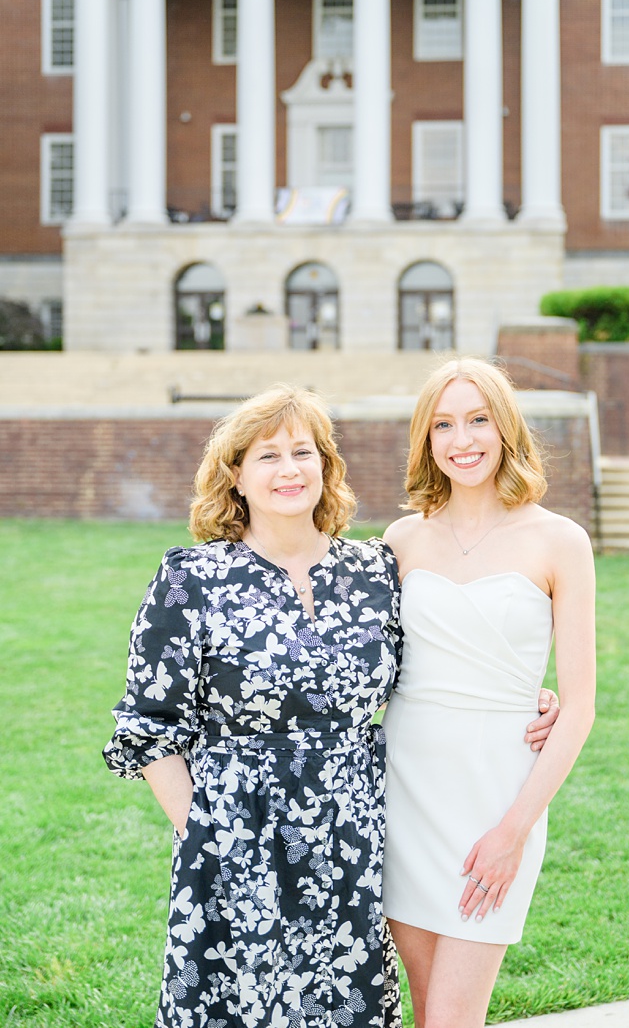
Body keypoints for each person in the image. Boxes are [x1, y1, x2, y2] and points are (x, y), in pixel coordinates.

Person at [105, 386, 405, 1027]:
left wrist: (533, 698)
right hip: (236, 838)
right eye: (267, 456)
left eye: (303, 451)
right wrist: (206, 835)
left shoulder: (376, 571)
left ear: (326, 466)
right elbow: (147, 722)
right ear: (235, 476)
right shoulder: (192, 578)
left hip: (349, 839)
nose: (290, 469)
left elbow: (427, 676)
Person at [381, 359, 598, 1028]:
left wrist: (513, 830)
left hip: (498, 798)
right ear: (426, 439)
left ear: (505, 430)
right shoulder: (398, 540)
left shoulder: (560, 540)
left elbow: (581, 705)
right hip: (405, 793)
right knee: (426, 1014)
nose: (462, 439)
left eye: (478, 419)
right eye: (443, 424)